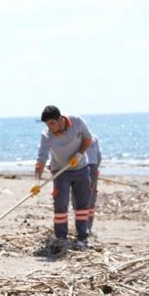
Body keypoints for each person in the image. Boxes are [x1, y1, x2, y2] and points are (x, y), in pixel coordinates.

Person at [32, 105, 93, 249]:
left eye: (52, 123)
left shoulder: (77, 122)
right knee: (60, 204)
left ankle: (82, 237)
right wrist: (36, 182)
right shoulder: (46, 135)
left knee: (82, 205)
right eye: (47, 124)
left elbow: (88, 139)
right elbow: (41, 160)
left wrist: (79, 154)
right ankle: (61, 238)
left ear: (60, 119)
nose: (50, 127)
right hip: (60, 172)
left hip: (81, 168)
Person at [73, 134, 101, 232]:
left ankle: (83, 225)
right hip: (91, 167)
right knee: (90, 196)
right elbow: (99, 156)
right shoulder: (94, 137)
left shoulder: (76, 136)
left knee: (78, 197)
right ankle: (87, 225)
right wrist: (96, 169)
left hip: (81, 168)